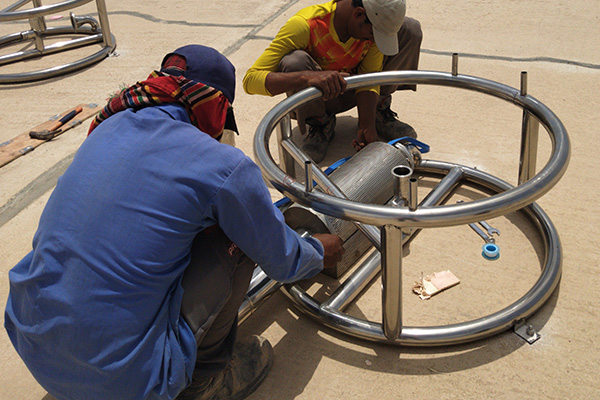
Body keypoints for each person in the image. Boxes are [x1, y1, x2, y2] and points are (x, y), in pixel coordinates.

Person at [4, 45, 344, 400]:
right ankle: (206, 380)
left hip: (31, 339)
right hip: (123, 383)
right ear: (216, 108)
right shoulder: (223, 166)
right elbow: (282, 259)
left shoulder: (108, 125)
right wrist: (318, 251)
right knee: (240, 239)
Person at [243, 0, 422, 163]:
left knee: (409, 29)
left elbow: (370, 76)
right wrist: (307, 77)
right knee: (294, 62)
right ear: (358, 14)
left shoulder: (371, 23)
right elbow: (250, 80)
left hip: (353, 87)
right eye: (372, 34)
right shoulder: (305, 26)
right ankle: (319, 124)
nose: (373, 40)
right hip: (322, 99)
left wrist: (366, 126)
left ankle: (378, 110)